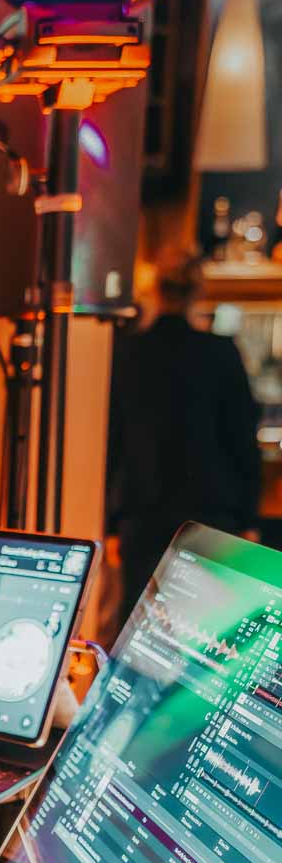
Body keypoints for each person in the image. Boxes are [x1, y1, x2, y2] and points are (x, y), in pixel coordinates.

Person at [108, 250, 261, 619]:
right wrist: (249, 519)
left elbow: (113, 443)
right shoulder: (220, 352)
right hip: (210, 512)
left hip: (142, 514)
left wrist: (110, 522)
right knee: (202, 625)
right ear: (198, 293)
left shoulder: (128, 353)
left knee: (139, 623)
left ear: (154, 293)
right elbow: (242, 440)